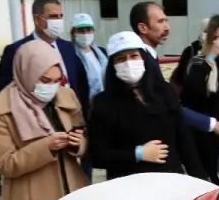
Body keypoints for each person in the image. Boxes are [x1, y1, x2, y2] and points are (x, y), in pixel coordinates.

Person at [0, 40, 88, 200]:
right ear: (27, 74)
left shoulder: (65, 96)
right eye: (44, 81)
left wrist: (77, 143)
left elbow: (83, 136)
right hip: (33, 197)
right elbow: (6, 164)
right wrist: (46, 147)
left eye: (56, 80)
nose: (50, 88)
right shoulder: (2, 109)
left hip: (72, 189)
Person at [88, 32, 207, 181]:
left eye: (134, 56)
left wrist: (200, 180)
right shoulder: (104, 102)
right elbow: (97, 155)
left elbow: (184, 140)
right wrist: (137, 154)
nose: (128, 63)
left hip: (171, 181)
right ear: (112, 65)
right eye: (120, 59)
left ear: (143, 58)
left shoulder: (164, 91)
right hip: (129, 185)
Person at [131, 0, 219, 144]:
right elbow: (170, 103)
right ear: (143, 28)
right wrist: (211, 124)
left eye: (166, 21)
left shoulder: (150, 58)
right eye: (160, 22)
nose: (167, 27)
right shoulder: (139, 62)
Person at [0, 0, 90, 117]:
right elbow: (3, 93)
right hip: (33, 121)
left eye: (61, 16)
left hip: (69, 120)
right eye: (53, 17)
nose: (58, 21)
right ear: (37, 19)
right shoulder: (16, 50)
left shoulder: (68, 48)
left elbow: (81, 86)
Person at [179, 15, 219, 183]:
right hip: (211, 139)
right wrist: (210, 56)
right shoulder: (200, 64)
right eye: (217, 38)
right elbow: (189, 98)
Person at [71, 12, 108, 103]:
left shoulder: (102, 52)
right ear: (74, 32)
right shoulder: (70, 55)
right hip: (85, 104)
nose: (85, 33)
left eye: (88, 30)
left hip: (106, 102)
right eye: (81, 30)